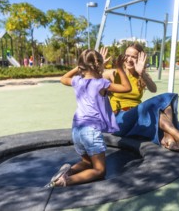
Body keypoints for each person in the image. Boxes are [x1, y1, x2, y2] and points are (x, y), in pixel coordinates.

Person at [51, 49, 131, 187]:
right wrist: (119, 68)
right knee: (99, 171)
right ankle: (67, 180)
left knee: (87, 162)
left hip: (76, 129)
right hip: (91, 131)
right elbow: (126, 87)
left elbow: (62, 79)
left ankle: (68, 172)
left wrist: (79, 66)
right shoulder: (101, 83)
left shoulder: (77, 81)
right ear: (98, 65)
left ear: (82, 66)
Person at [103, 43, 179, 151]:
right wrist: (100, 66)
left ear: (139, 59)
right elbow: (92, 80)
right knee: (155, 104)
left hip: (138, 117)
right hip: (120, 119)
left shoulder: (141, 75)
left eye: (133, 57)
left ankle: (169, 139)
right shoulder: (113, 73)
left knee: (168, 98)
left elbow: (153, 89)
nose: (129, 59)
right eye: (127, 55)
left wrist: (142, 73)